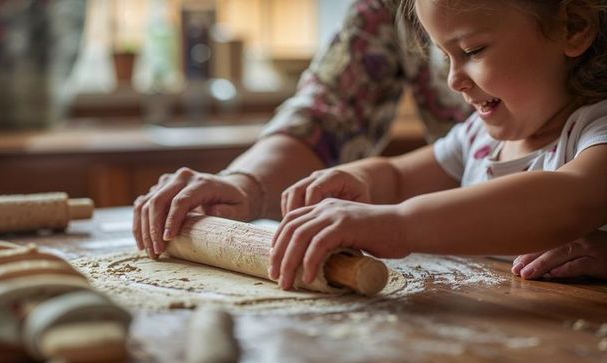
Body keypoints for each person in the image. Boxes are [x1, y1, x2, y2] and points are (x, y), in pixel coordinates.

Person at [133, 0, 607, 282]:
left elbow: (570, 199)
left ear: (573, 28)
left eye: (472, 51)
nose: (453, 80)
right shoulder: (476, 139)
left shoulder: (595, 129)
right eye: (443, 56)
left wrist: (397, 227)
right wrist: (351, 181)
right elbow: (398, 176)